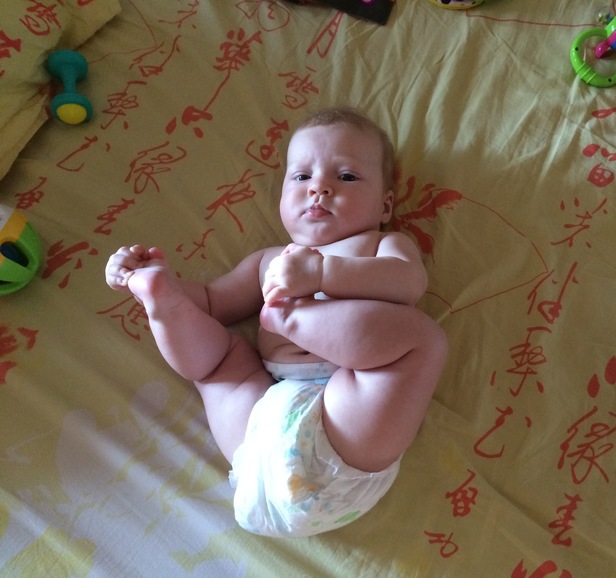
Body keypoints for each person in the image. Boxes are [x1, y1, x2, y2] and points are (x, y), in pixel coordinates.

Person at [104, 107, 448, 537]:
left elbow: (408, 284)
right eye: (301, 176)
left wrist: (322, 273)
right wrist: (166, 284)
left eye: (346, 176)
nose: (319, 188)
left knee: (420, 339)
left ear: (385, 205)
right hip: (262, 441)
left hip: (347, 426)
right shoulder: (268, 261)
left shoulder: (382, 245)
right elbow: (212, 302)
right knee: (218, 363)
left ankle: (290, 319)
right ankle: (161, 302)